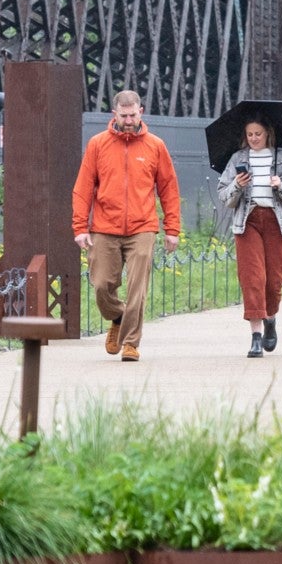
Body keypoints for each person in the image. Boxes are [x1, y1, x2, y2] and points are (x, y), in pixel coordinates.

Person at [72, 87, 180, 362]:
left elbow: (168, 188)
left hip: (143, 226)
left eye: (133, 115)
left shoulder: (155, 145)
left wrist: (172, 230)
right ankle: (118, 316)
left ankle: (131, 342)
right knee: (101, 285)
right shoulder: (98, 144)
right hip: (104, 226)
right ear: (115, 114)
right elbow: (84, 187)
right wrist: (80, 227)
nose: (129, 120)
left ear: (140, 112)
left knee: (137, 287)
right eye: (124, 115)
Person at [215, 117, 282, 358]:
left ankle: (270, 319)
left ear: (268, 133)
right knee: (252, 277)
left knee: (274, 279)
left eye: (258, 134)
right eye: (249, 134)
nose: (254, 138)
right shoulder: (238, 159)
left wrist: (281, 187)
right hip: (248, 222)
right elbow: (225, 196)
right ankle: (256, 336)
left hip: (277, 223)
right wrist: (237, 184)